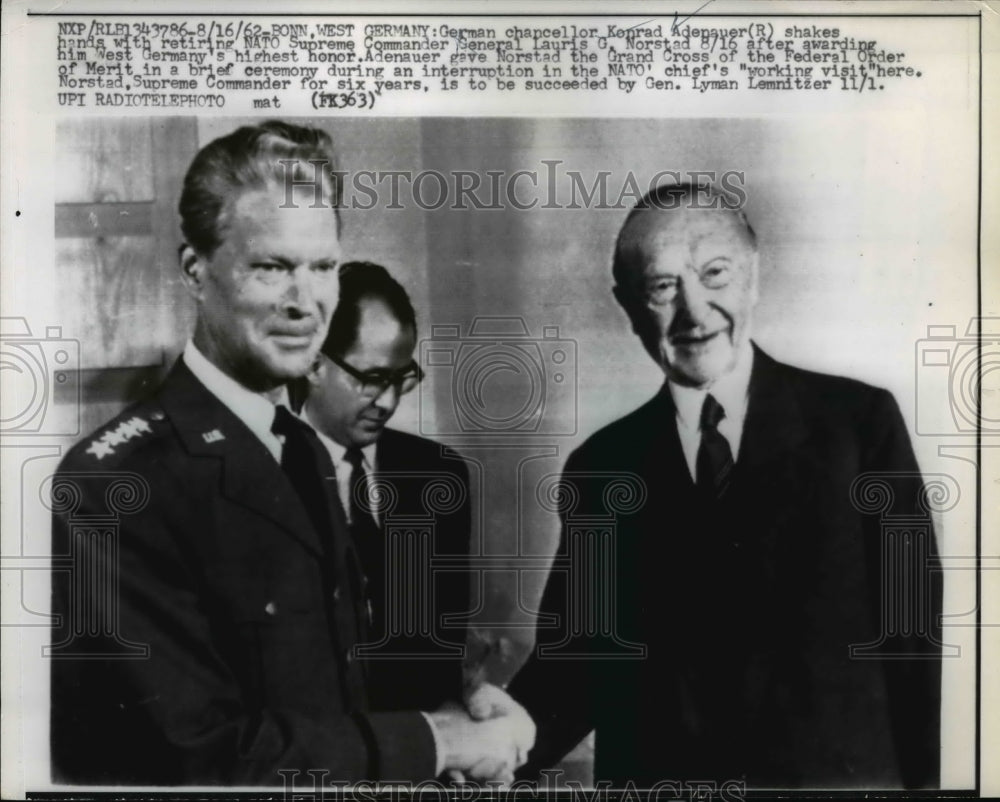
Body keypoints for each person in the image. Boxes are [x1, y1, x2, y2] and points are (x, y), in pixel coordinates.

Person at [49, 121, 531, 786]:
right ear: (197, 270)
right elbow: (191, 759)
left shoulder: (299, 448)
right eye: (272, 267)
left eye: (323, 267)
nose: (306, 304)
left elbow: (331, 695)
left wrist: (460, 707)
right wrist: (431, 743)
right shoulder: (120, 482)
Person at [507, 183, 942, 789]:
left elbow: (912, 635)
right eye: (662, 288)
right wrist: (486, 741)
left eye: (715, 274)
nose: (694, 312)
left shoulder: (859, 424)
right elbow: (577, 664)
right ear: (629, 306)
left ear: (754, 276)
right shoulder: (601, 467)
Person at [296, 261, 472, 714]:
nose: (389, 401)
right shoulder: (259, 474)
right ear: (313, 363)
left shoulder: (439, 475)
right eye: (373, 379)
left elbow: (443, 649)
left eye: (401, 378)